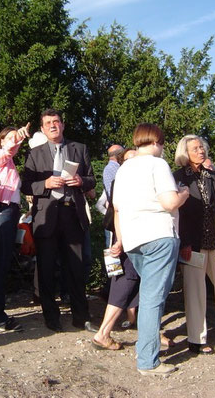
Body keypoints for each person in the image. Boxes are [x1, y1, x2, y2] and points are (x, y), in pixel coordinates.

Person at [112, 123, 189, 376]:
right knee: (153, 299)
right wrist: (184, 194)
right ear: (157, 142)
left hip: (134, 239)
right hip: (159, 235)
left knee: (149, 295)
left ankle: (148, 349)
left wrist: (122, 239)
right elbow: (169, 202)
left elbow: (118, 208)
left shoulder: (123, 169)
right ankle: (147, 360)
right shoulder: (158, 164)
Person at [21, 108, 96, 333]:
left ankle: (81, 317)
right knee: (46, 269)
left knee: (76, 268)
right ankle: (51, 316)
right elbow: (25, 185)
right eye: (48, 123)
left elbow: (92, 179)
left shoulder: (79, 149)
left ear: (63, 125)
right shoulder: (35, 154)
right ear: (43, 129)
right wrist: (45, 184)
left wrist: (81, 180)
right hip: (47, 214)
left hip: (72, 214)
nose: (53, 126)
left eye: (56, 122)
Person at [173, 135, 215, 355]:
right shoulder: (177, 177)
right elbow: (179, 213)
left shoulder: (211, 175)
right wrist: (183, 241)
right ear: (185, 152)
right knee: (195, 291)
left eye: (202, 147)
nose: (201, 151)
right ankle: (197, 339)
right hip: (191, 242)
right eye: (195, 148)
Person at [0, 124, 30, 332]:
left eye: (15, 138)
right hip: (1, 212)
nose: (14, 141)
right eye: (8, 137)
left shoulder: (8, 164)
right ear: (1, 141)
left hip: (7, 214)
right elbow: (7, 150)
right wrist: (17, 136)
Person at [92, 148, 140, 350]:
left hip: (124, 239)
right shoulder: (120, 181)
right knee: (123, 279)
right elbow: (111, 208)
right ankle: (104, 331)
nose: (131, 163)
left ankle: (143, 326)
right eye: (127, 160)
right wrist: (118, 240)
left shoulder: (134, 180)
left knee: (134, 281)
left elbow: (102, 204)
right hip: (122, 240)